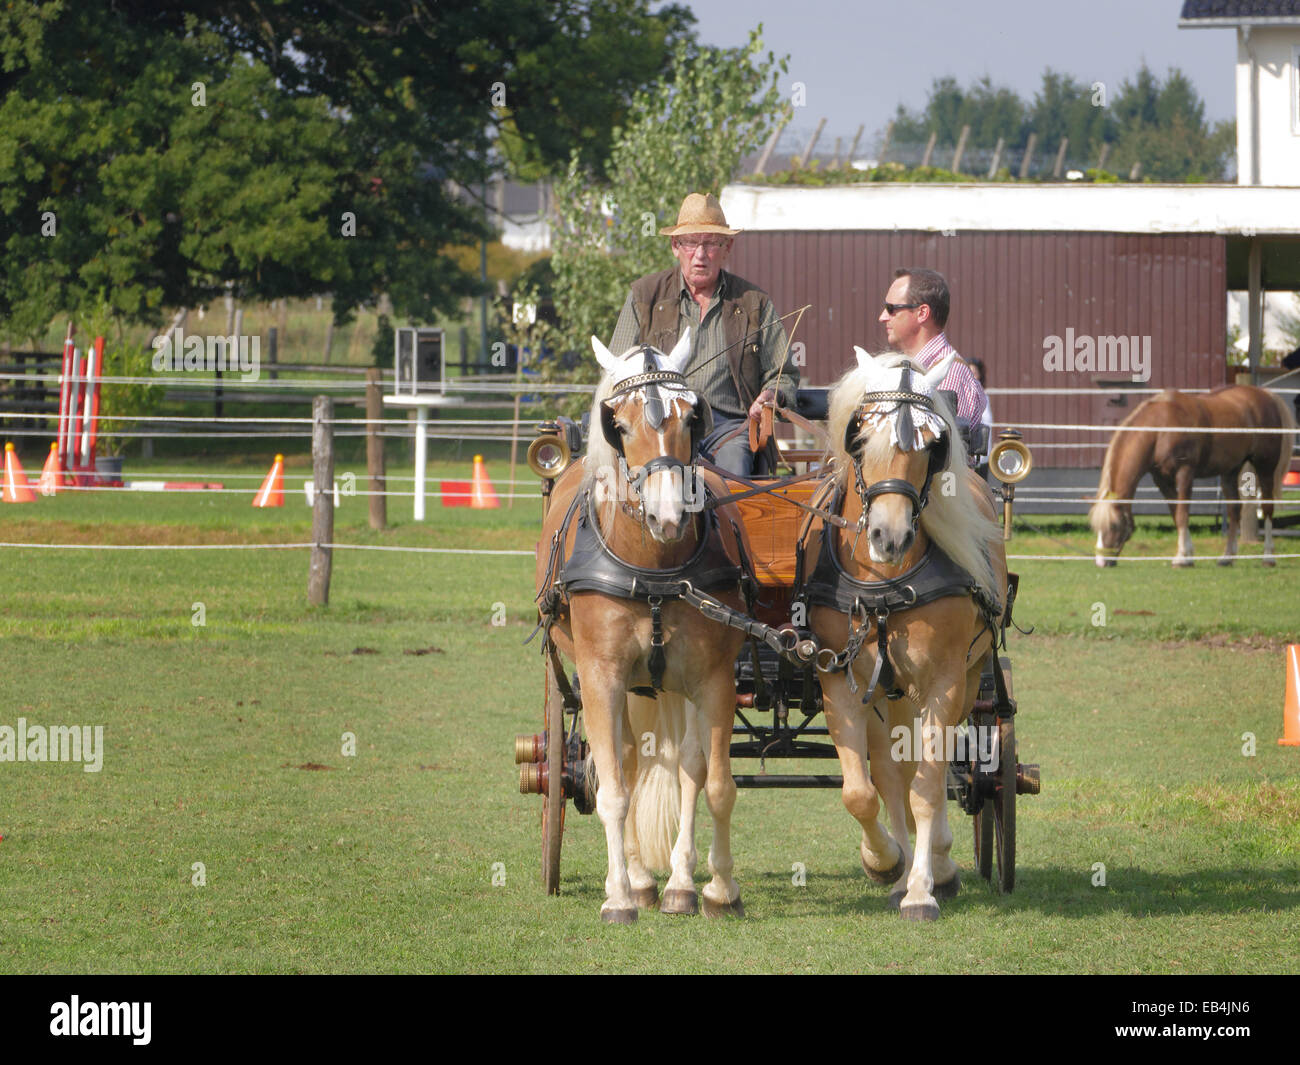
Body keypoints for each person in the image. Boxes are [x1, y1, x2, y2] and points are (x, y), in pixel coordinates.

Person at [608, 193, 798, 476]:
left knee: (734, 473)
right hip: (659, 426)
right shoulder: (644, 296)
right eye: (690, 243)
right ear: (675, 246)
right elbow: (615, 371)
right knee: (653, 484)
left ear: (727, 248)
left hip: (728, 431)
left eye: (710, 243)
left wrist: (771, 396)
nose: (700, 255)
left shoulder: (753, 303)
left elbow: (784, 374)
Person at [879, 267, 989, 466]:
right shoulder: (905, 369)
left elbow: (943, 466)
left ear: (922, 313)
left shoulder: (950, 374)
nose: (883, 317)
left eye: (891, 309)